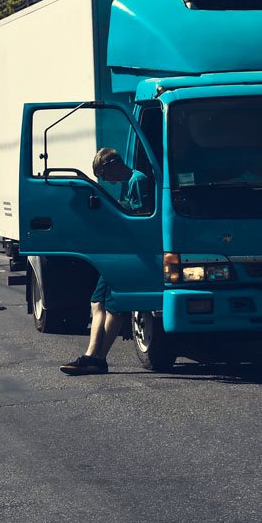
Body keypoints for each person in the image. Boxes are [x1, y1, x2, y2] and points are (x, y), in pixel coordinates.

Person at [60, 147, 151, 376]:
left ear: (113, 164)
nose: (106, 180)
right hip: (118, 252)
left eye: (104, 174)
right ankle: (94, 356)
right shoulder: (128, 182)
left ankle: (96, 358)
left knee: (112, 307)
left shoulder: (137, 181)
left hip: (128, 253)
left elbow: (140, 217)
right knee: (97, 302)